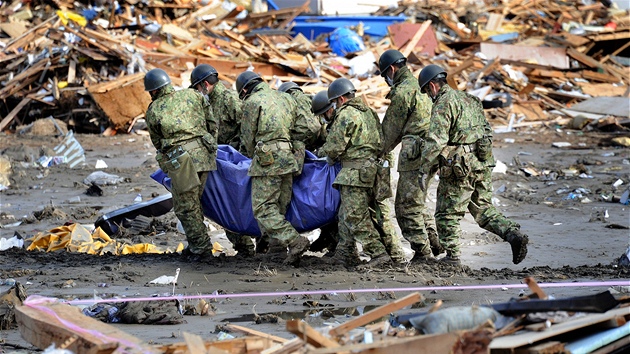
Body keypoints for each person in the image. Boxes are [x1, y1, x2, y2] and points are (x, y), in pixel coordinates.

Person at [417, 64, 529, 266]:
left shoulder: (443, 103)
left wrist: (424, 169)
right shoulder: (470, 99)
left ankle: (452, 257)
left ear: (432, 86)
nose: (428, 95)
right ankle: (512, 234)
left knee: (446, 213)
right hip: (482, 162)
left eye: (426, 91)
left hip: (459, 167)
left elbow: (436, 141)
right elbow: (486, 130)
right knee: (483, 209)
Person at [235, 71, 311, 266]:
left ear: (244, 90)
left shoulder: (252, 102)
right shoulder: (286, 98)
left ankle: (295, 241)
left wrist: (254, 154)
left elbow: (247, 137)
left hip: (267, 160)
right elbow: (306, 127)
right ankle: (276, 249)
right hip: (288, 157)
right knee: (280, 207)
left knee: (263, 208)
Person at [317, 79, 392, 268]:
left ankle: (378, 253)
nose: (333, 107)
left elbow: (334, 147)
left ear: (341, 99)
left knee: (354, 215)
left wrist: (319, 154)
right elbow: (381, 142)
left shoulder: (346, 114)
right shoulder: (370, 112)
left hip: (354, 172)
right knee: (345, 213)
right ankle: (345, 252)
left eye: (334, 102)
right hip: (370, 170)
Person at [144, 68, 218, 259]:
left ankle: (201, 248)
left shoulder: (154, 109)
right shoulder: (193, 95)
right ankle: (197, 244)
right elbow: (212, 123)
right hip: (204, 156)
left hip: (182, 161)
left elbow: (158, 142)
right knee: (197, 202)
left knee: (186, 207)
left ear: (153, 91)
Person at [377, 49, 442, 262]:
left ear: (392, 69)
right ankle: (434, 241)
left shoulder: (403, 91)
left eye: (386, 74)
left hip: (414, 154)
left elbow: (390, 131)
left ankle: (423, 254)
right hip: (432, 150)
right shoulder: (420, 85)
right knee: (418, 202)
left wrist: (377, 152)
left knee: (405, 207)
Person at [190, 64, 255, 257]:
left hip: (236, 161)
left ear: (204, 85)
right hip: (220, 161)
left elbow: (248, 127)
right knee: (225, 208)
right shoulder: (206, 102)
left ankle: (260, 247)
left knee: (244, 205)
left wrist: (239, 152)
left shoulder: (229, 100)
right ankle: (245, 248)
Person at [278, 82, 322, 175]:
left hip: (299, 140)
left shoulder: (289, 100)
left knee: (294, 173)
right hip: (316, 137)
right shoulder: (308, 98)